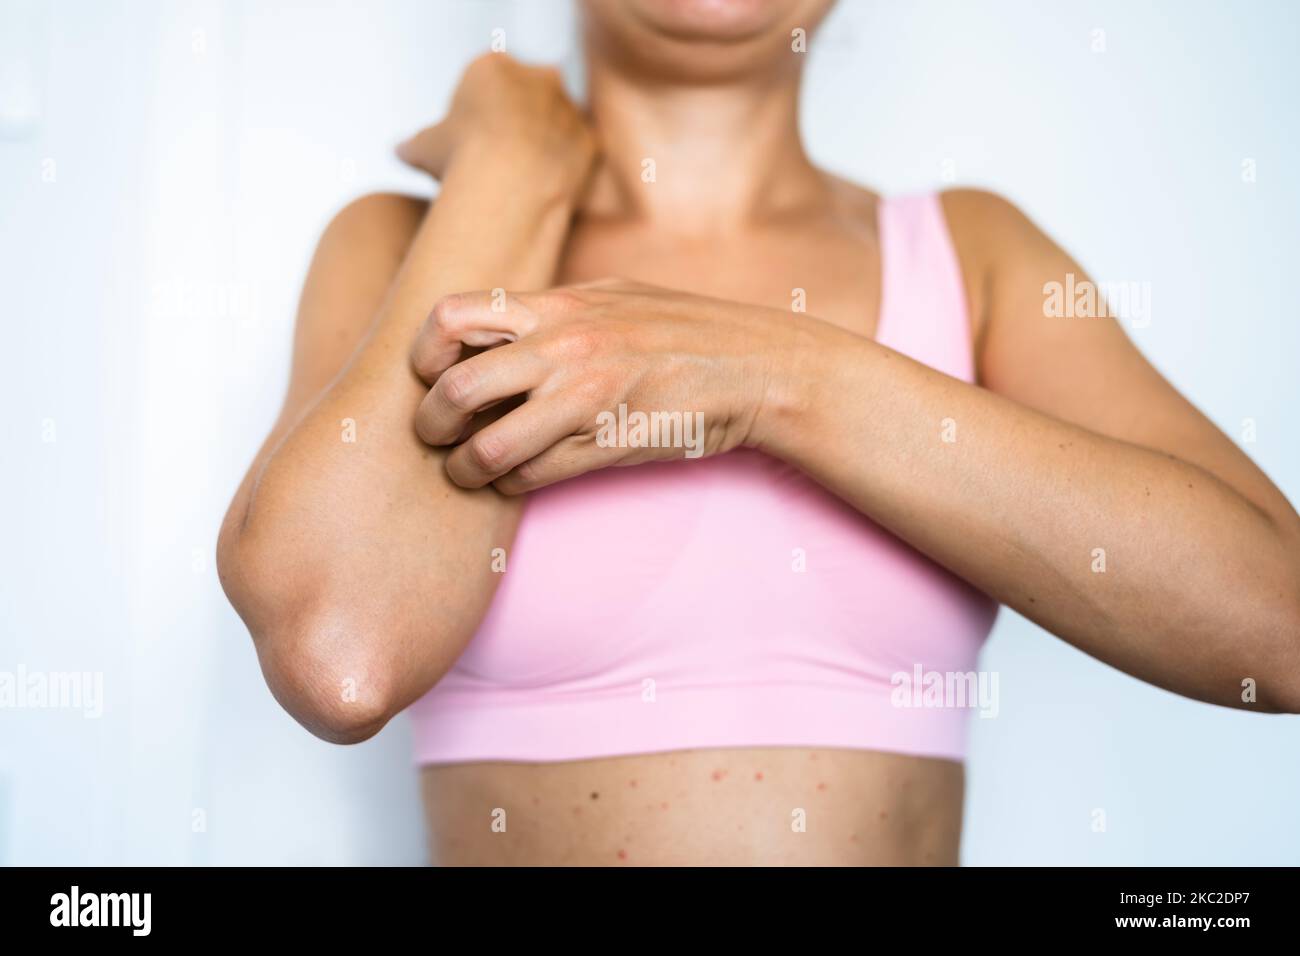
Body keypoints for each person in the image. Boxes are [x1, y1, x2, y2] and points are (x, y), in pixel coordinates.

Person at [217, 0, 1300, 865]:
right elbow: (337, 657)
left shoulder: (969, 252)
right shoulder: (404, 244)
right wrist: (512, 160)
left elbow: (1277, 627)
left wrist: (774, 375)